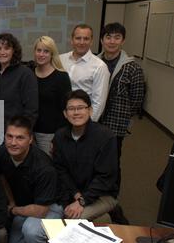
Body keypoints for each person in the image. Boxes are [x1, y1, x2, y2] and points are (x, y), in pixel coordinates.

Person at [0, 116, 63, 243]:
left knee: (31, 231)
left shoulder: (44, 168)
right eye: (9, 136)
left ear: (30, 139)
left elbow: (40, 210)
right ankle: (49, 240)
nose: (13, 142)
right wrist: (11, 201)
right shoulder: (0, 153)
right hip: (26, 204)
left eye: (20, 138)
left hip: (49, 206)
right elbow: (2, 176)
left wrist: (12, 210)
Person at [53, 90, 119, 221]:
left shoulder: (105, 137)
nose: (76, 112)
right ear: (65, 114)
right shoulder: (60, 136)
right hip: (75, 193)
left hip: (102, 194)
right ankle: (105, 219)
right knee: (59, 214)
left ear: (90, 111)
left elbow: (105, 178)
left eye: (81, 108)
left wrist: (82, 201)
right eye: (71, 109)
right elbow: (60, 170)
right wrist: (76, 194)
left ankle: (109, 212)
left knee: (72, 218)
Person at [98, 22, 145, 173]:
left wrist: (123, 117)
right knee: (92, 157)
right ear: (101, 40)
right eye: (108, 37)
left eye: (117, 37)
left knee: (112, 161)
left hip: (116, 125)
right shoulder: (95, 63)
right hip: (94, 121)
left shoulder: (133, 68)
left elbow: (136, 99)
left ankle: (112, 194)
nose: (112, 41)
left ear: (123, 40)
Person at [0, 33, 38, 136]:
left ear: (14, 51)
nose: (2, 52)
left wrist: (20, 134)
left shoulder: (25, 74)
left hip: (15, 135)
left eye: (7, 48)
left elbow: (31, 111)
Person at [60, 24, 110, 122]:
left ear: (91, 41)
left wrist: (88, 125)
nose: (82, 42)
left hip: (82, 119)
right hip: (60, 117)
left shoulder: (100, 67)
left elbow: (98, 103)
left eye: (86, 39)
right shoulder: (60, 59)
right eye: (78, 38)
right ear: (72, 40)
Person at [33, 36, 72, 156]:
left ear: (52, 54)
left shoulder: (61, 77)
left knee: (47, 168)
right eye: (38, 50)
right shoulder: (29, 74)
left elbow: (66, 109)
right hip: (29, 132)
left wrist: (57, 138)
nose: (41, 54)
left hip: (49, 135)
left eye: (46, 51)